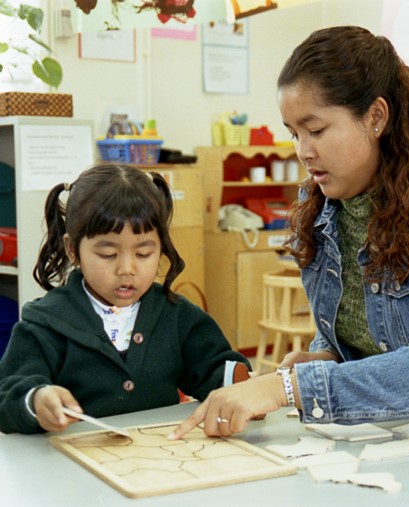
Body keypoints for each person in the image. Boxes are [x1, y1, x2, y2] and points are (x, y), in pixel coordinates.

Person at [168, 25, 409, 440]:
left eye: (317, 130)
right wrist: (324, 355)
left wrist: (287, 388)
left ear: (376, 117)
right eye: (294, 133)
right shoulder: (322, 208)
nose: (303, 151)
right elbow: (369, 336)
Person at [0, 164, 250, 434]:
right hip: (71, 465)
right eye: (108, 254)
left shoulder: (177, 315)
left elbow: (212, 368)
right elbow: (9, 395)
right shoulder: (47, 323)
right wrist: (35, 400)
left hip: (156, 460)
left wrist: (241, 385)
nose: (127, 269)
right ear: (73, 250)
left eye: (143, 254)